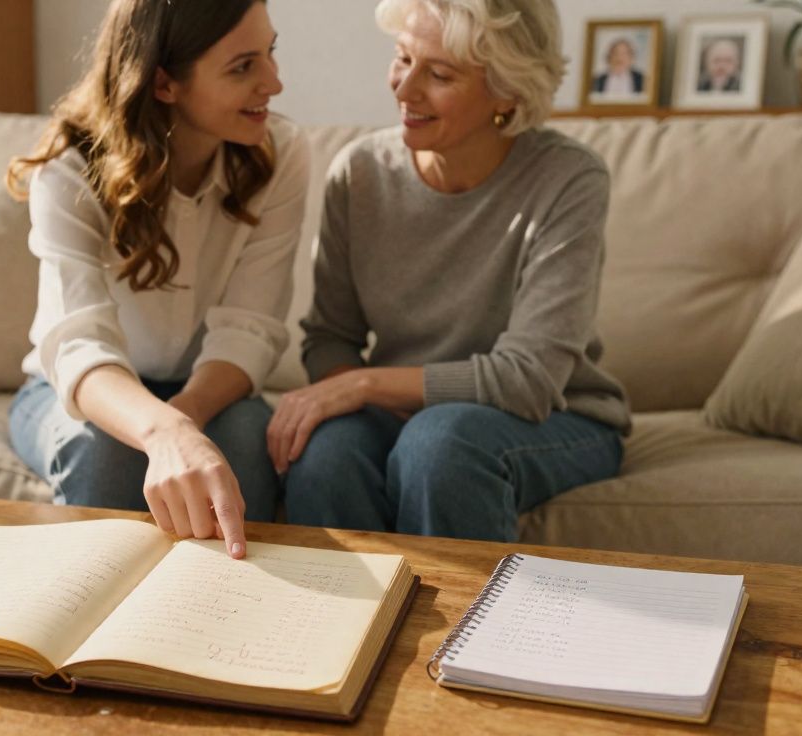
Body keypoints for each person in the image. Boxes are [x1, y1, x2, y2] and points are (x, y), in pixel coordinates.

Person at [267, 0, 630, 542]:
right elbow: (329, 337)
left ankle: (464, 630)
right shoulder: (361, 173)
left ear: (507, 91)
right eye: (402, 58)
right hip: (402, 416)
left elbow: (528, 380)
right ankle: (352, 625)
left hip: (556, 416)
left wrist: (367, 384)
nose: (404, 89)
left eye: (438, 74)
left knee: (441, 443)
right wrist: (360, 392)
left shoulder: (568, 179)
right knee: (325, 453)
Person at [6, 0, 308, 559]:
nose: (275, 83)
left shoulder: (280, 153)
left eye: (270, 53)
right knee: (104, 451)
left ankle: (243, 617)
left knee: (242, 442)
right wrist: (162, 432)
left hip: (206, 386)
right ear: (165, 83)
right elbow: (79, 344)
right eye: (243, 67)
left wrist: (182, 420)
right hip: (79, 387)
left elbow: (250, 328)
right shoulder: (71, 167)